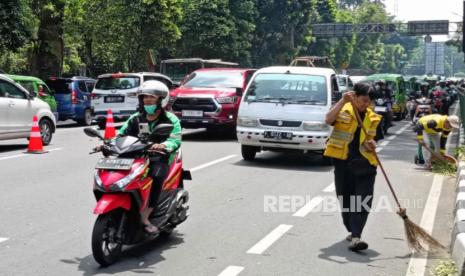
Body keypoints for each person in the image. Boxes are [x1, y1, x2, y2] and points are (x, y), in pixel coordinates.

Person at [118, 80, 182, 234]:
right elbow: (121, 134)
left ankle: (146, 215)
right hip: (136, 155)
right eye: (145, 97)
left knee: (156, 176)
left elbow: (175, 139)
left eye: (152, 98)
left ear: (161, 100)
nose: (148, 100)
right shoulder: (135, 118)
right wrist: (107, 144)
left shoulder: (171, 119)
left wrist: (164, 145)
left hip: (159, 157)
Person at [324, 83, 381, 252]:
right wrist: (342, 100)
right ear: (354, 96)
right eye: (363, 100)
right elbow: (328, 119)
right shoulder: (343, 109)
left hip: (365, 164)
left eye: (369, 102)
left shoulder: (373, 117)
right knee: (346, 199)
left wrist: (373, 143)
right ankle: (352, 229)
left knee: (363, 200)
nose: (366, 105)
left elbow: (375, 138)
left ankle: (356, 236)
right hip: (343, 163)